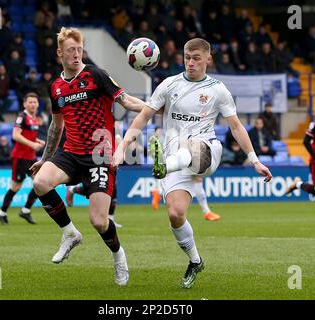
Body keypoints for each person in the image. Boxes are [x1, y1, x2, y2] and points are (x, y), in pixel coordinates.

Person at [113, 38, 272, 289]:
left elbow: (236, 126)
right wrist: (122, 147)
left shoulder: (218, 90)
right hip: (174, 155)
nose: (190, 62)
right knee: (176, 214)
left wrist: (255, 160)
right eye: (187, 57)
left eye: (196, 57)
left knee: (192, 146)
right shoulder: (169, 84)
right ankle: (195, 260)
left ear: (208, 59)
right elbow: (143, 116)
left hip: (206, 150)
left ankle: (165, 165)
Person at [29, 27, 147, 286]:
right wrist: (45, 158)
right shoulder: (56, 88)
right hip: (70, 152)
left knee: (99, 221)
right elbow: (56, 126)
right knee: (40, 182)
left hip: (99, 155)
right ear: (60, 52)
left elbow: (126, 100)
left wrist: (154, 107)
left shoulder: (96, 75)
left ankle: (118, 256)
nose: (76, 54)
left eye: (80, 49)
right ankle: (70, 233)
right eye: (71, 50)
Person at [0, 93, 45, 225]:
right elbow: (16, 135)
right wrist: (33, 144)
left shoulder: (34, 118)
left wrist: (37, 140)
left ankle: (25, 210)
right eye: (30, 102)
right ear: (24, 104)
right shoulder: (21, 117)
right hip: (20, 157)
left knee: (40, 183)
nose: (33, 104)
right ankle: (2, 213)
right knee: (16, 187)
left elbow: (27, 135)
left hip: (31, 157)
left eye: (35, 102)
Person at [150, 177, 221, 221]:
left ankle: (159, 192)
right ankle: (207, 212)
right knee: (197, 179)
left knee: (177, 180)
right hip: (185, 155)